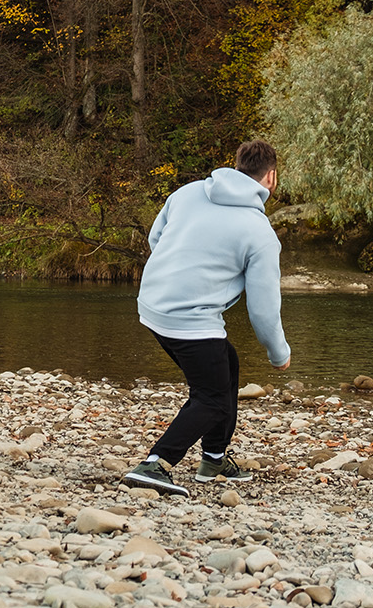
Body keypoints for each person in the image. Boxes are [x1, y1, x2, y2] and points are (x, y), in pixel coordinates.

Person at [122, 140, 292, 496]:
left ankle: (214, 458)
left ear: (237, 166)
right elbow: (263, 307)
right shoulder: (260, 232)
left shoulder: (188, 192)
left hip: (152, 303)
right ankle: (156, 464)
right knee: (211, 398)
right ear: (271, 177)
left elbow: (156, 238)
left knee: (227, 364)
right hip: (191, 319)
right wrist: (278, 353)